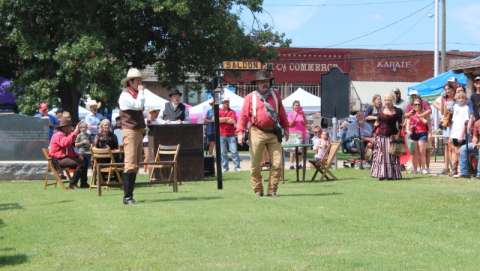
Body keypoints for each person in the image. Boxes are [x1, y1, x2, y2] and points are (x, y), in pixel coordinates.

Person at [237, 70, 289, 197]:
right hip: (256, 132)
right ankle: (258, 189)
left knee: (277, 163)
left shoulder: (276, 95)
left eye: (266, 81)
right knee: (255, 164)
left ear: (269, 82)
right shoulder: (250, 97)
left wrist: (286, 127)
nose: (264, 84)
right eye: (261, 82)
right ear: (257, 83)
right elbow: (243, 116)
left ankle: (272, 190)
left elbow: (282, 113)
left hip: (273, 132)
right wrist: (240, 131)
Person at [118, 67, 146, 205]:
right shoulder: (125, 95)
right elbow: (139, 105)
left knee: (135, 165)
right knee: (130, 164)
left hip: (138, 131)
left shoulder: (133, 94)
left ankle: (130, 196)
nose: (140, 82)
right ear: (131, 82)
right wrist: (141, 92)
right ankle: (127, 197)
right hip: (130, 131)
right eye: (138, 80)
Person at [371, 93, 403, 180]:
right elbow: (377, 123)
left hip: (392, 136)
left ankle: (392, 174)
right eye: (385, 100)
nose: (386, 102)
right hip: (381, 136)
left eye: (388, 100)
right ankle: (381, 174)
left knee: (392, 156)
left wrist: (398, 134)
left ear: (392, 100)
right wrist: (374, 133)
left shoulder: (398, 111)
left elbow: (400, 124)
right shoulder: (381, 110)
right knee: (381, 156)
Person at [49, 119, 89, 189]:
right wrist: (75, 132)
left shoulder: (65, 135)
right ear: (64, 128)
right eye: (70, 127)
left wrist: (78, 155)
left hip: (63, 158)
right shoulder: (58, 135)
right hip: (57, 160)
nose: (71, 128)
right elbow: (65, 143)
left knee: (84, 159)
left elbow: (70, 151)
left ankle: (84, 183)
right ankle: (72, 184)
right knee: (81, 163)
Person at [449, 92, 473, 177]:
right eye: (459, 98)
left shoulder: (466, 108)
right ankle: (455, 170)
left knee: (461, 152)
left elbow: (465, 123)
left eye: (463, 98)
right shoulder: (455, 107)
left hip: (461, 133)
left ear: (466, 99)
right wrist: (451, 134)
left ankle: (463, 170)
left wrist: (462, 134)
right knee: (455, 151)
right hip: (455, 132)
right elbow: (453, 121)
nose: (461, 100)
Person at [406, 97, 429, 174]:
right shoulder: (411, 114)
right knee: (415, 153)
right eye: (415, 104)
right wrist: (408, 130)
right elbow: (407, 124)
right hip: (414, 134)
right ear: (412, 105)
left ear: (421, 105)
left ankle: (423, 168)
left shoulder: (424, 112)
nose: (417, 106)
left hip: (422, 133)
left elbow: (426, 122)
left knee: (422, 152)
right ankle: (415, 169)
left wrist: (420, 116)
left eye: (419, 104)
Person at [219, 97, 240, 172]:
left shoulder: (232, 111)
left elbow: (233, 121)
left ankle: (237, 167)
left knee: (234, 151)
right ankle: (225, 167)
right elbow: (217, 120)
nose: (226, 103)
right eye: (225, 102)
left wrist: (223, 119)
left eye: (227, 102)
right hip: (221, 134)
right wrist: (227, 119)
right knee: (223, 152)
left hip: (231, 134)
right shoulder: (219, 111)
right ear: (222, 103)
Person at [287, 100, 308, 169]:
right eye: (296, 105)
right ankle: (291, 164)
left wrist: (304, 118)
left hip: (301, 134)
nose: (297, 106)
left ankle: (299, 164)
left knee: (300, 150)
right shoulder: (290, 114)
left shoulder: (302, 113)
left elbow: (306, 123)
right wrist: (295, 116)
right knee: (293, 150)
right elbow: (290, 125)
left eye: (298, 105)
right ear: (293, 106)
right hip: (293, 134)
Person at [143, 108, 161, 173]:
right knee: (147, 156)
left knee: (152, 156)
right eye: (151, 113)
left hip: (154, 140)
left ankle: (151, 171)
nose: (152, 114)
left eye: (153, 113)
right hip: (146, 140)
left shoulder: (157, 121)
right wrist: (148, 121)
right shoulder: (145, 121)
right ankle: (145, 171)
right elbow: (145, 129)